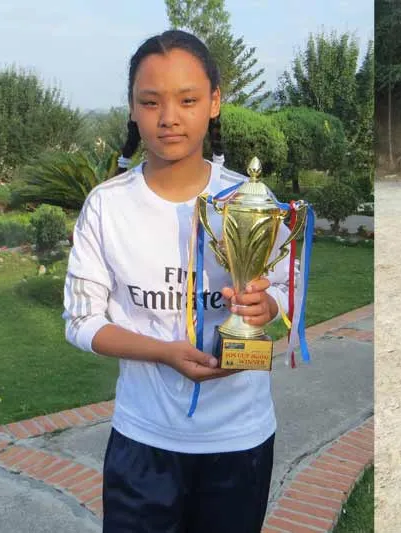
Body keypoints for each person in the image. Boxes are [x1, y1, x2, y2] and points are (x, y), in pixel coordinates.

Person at [62, 30, 292, 532]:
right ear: (132, 109)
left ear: (213, 102)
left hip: (239, 439)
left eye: (187, 99)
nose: (169, 117)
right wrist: (163, 351)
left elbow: (284, 286)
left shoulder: (251, 200)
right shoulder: (107, 206)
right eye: (151, 101)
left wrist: (265, 309)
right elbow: (81, 321)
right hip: (144, 441)